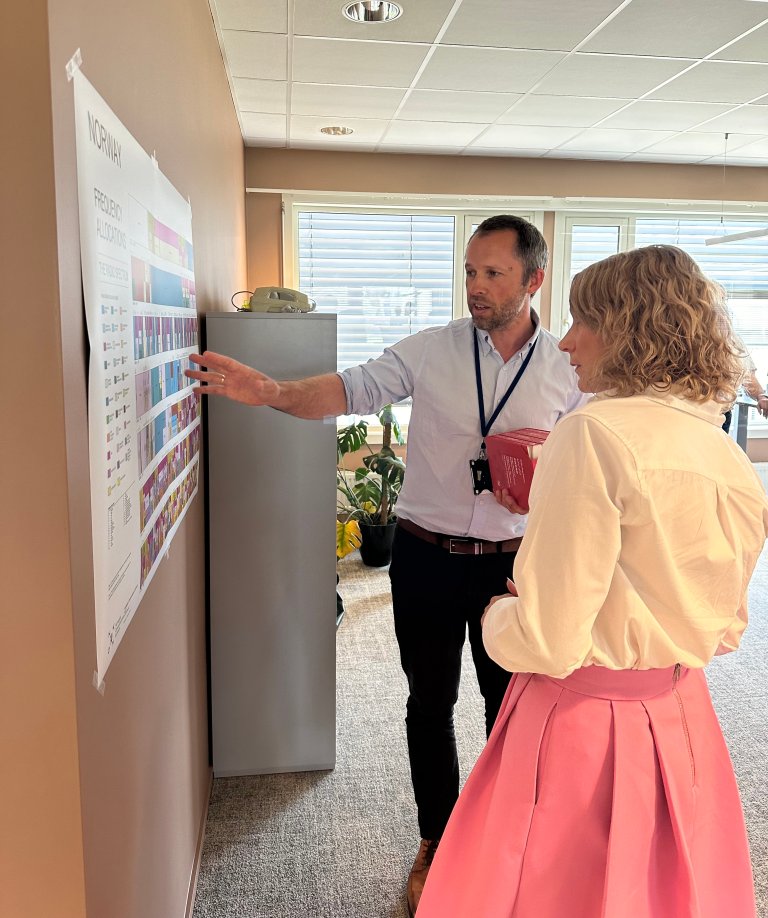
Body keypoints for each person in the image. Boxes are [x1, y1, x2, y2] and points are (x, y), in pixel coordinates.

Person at [184, 215, 585, 917]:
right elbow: (351, 390)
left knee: (511, 710)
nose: (476, 286)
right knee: (430, 703)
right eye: (470, 271)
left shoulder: (566, 370)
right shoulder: (431, 349)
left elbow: (588, 462)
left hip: (513, 567)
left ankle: (505, 841)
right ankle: (437, 839)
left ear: (534, 280)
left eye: (493, 273)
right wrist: (273, 392)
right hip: (426, 557)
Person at [416, 244, 768, 918]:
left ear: (630, 329)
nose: (567, 342)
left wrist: (498, 613)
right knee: (660, 891)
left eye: (585, 321)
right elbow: (727, 628)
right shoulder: (725, 451)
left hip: (582, 722)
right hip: (681, 717)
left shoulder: (592, 433)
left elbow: (547, 641)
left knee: (546, 890)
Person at [722, 342, 768, 432]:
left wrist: (761, 396)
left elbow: (748, 376)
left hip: (721, 413)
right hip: (694, 412)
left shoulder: (732, 341)